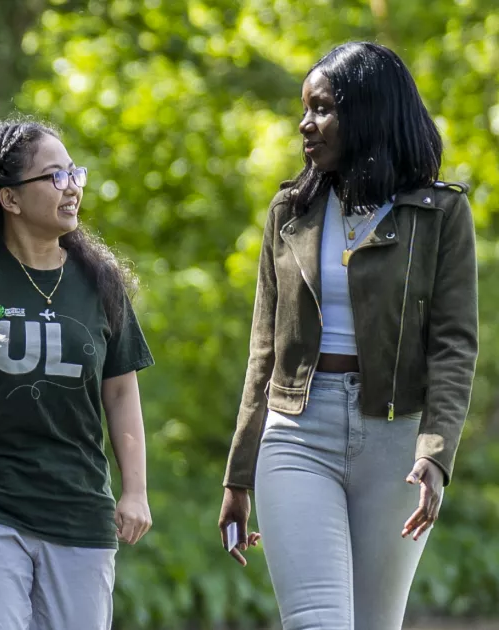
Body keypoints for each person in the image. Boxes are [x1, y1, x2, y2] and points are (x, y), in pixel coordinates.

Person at [218, 41, 478, 630]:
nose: (305, 124)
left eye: (323, 108)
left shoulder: (439, 215)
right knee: (317, 622)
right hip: (296, 434)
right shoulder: (289, 212)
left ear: (367, 113)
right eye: (304, 109)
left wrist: (435, 456)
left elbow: (454, 346)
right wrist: (238, 475)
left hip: (396, 443)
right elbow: (264, 352)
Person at [0, 118, 155, 629]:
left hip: (78, 508)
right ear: (10, 199)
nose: (73, 187)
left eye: (74, 172)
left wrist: (135, 489)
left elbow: (122, 392)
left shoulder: (99, 282)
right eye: (54, 176)